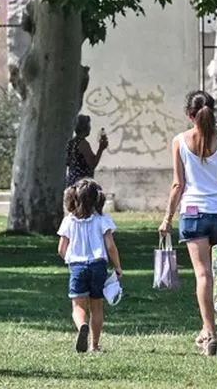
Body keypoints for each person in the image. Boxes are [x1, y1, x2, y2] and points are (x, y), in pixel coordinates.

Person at [158, 89, 217, 357]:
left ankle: (209, 332)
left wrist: (167, 218)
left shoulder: (179, 141)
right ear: (212, 112)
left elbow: (178, 184)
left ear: (189, 115)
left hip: (193, 214)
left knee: (202, 274)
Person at [57, 178, 124, 354]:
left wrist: (70, 261)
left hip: (77, 265)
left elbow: (61, 248)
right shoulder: (102, 220)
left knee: (78, 306)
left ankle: (82, 326)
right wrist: (117, 267)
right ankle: (94, 345)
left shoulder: (69, 221)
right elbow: (110, 246)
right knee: (97, 306)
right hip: (98, 265)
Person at [66, 115, 109, 188]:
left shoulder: (71, 142)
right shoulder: (83, 144)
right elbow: (92, 164)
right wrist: (101, 148)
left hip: (71, 183)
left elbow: (67, 162)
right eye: (89, 125)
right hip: (82, 186)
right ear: (85, 127)